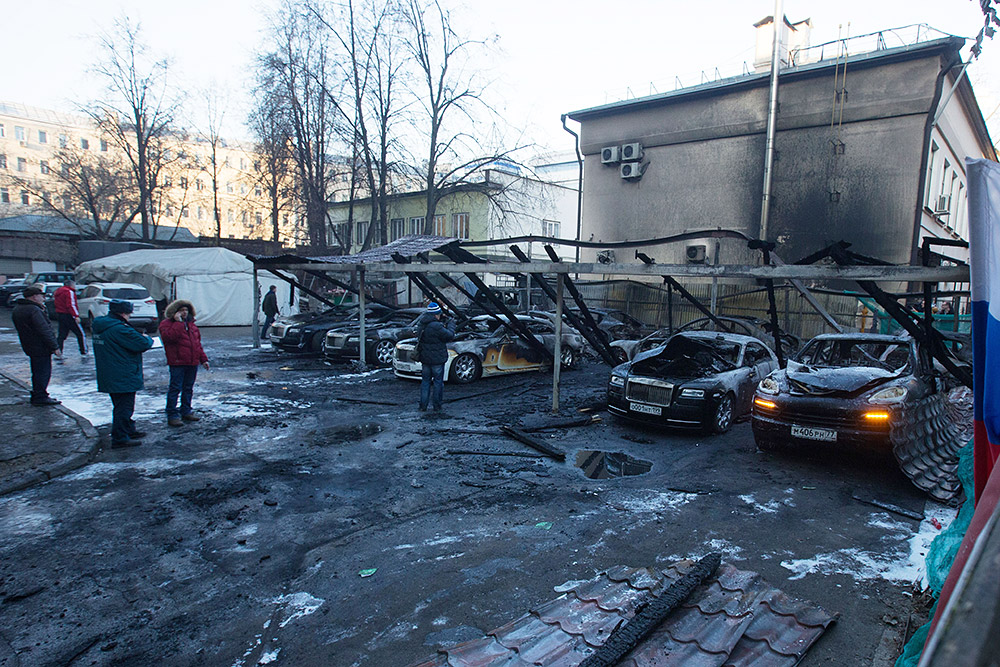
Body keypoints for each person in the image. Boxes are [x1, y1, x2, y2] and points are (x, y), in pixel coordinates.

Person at [92, 300, 154, 448]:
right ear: (123, 313)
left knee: (120, 404)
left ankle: (128, 429)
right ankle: (120, 437)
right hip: (123, 372)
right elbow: (143, 343)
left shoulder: (101, 326)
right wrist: (147, 337)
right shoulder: (119, 329)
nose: (130, 316)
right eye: (128, 313)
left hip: (109, 372)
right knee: (124, 407)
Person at [158, 299, 210, 427]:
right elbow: (169, 337)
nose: (184, 313)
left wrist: (203, 359)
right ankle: (172, 414)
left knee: (188, 388)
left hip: (192, 362)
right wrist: (178, 323)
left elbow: (197, 344)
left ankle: (186, 410)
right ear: (175, 312)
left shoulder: (192, 325)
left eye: (186, 310)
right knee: (175, 388)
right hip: (177, 362)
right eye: (181, 310)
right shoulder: (167, 324)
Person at [11, 285, 62, 405]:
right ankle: (40, 396)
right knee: (43, 372)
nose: (43, 298)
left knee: (37, 371)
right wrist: (54, 346)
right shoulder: (34, 310)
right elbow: (44, 330)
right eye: (41, 295)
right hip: (40, 346)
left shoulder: (19, 308)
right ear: (34, 297)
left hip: (29, 345)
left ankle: (38, 394)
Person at [415, 302, 455, 413]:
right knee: (438, 382)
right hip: (437, 359)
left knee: (425, 382)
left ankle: (423, 406)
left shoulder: (421, 324)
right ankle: (437, 406)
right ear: (436, 314)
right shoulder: (436, 326)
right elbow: (450, 336)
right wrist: (451, 324)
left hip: (425, 358)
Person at [54, 279, 88, 356]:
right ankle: (83, 350)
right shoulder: (69, 292)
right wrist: (76, 316)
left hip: (61, 314)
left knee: (62, 334)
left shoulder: (58, 292)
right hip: (69, 315)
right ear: (71, 285)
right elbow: (71, 305)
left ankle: (59, 350)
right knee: (80, 334)